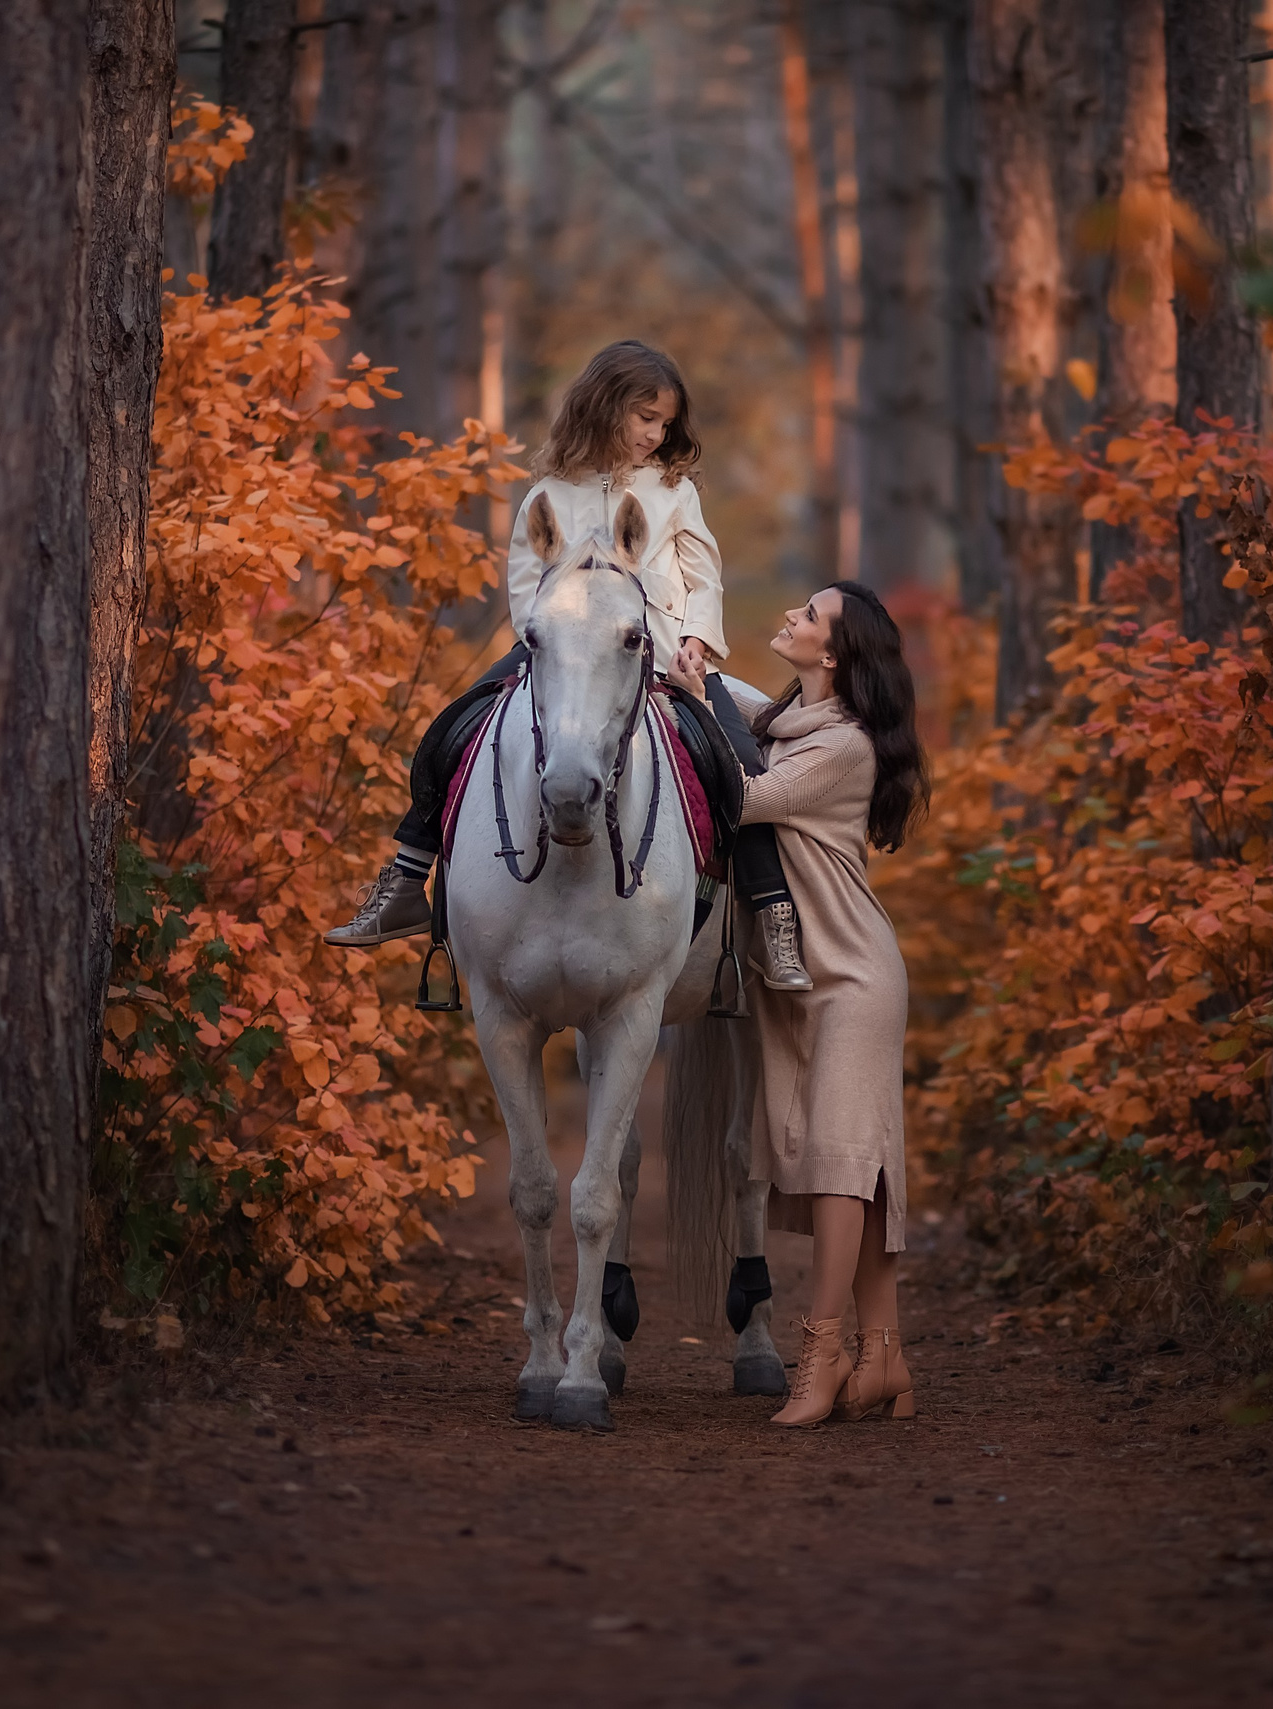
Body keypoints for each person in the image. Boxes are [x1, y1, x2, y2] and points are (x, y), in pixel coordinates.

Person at [324, 340, 812, 988]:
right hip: (557, 655)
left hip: (663, 655)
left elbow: (705, 576)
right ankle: (408, 879)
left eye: (664, 423)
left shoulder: (672, 492)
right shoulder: (549, 493)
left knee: (739, 765)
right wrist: (554, 640)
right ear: (605, 406)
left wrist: (698, 638)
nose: (654, 433)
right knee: (451, 728)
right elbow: (526, 583)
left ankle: (775, 921)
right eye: (644, 416)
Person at [667, 581, 929, 1427]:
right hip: (803, 979)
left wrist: (702, 696)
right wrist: (690, 674)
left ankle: (818, 1359)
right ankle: (883, 1358)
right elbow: (732, 712)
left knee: (842, 1167)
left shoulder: (846, 745)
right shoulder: (788, 721)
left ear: (835, 655)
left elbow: (744, 796)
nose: (789, 616)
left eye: (810, 616)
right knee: (857, 1170)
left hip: (851, 974)